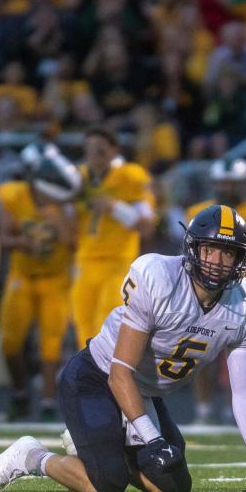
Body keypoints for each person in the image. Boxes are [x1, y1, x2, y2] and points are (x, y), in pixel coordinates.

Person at [0, 205, 246, 492]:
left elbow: (244, 391)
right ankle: (30, 456)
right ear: (193, 249)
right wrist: (153, 440)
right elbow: (120, 373)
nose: (217, 261)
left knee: (172, 486)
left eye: (228, 252)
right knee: (105, 482)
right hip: (97, 378)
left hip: (143, 393)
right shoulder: (159, 278)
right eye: (210, 249)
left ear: (240, 258)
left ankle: (102, 445)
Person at [186, 158, 246, 423]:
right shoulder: (199, 211)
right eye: (223, 182)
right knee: (198, 347)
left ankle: (232, 410)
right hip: (205, 288)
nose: (227, 187)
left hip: (241, 292)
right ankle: (203, 409)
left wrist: (233, 270)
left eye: (232, 182)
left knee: (236, 354)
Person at [0, 146, 79, 422]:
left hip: (56, 279)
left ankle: (46, 403)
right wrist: (24, 243)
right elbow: (5, 239)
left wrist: (59, 220)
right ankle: (19, 393)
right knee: (10, 342)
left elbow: (74, 243)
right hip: (22, 276)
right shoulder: (13, 195)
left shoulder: (63, 203)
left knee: (51, 344)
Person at [71, 126, 156, 348]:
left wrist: (115, 207)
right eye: (89, 151)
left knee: (107, 321)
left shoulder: (129, 176)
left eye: (100, 150)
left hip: (118, 262)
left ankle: (109, 378)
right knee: (83, 324)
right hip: (85, 261)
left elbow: (147, 226)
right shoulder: (78, 178)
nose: (94, 156)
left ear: (113, 150)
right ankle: (89, 378)